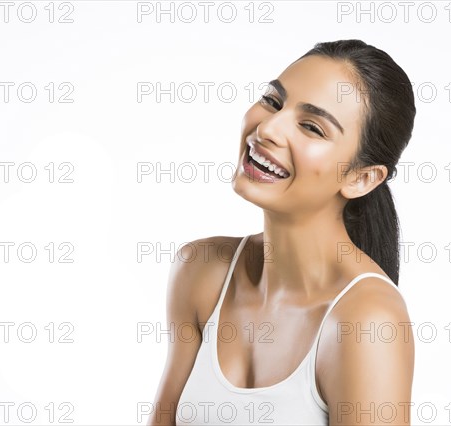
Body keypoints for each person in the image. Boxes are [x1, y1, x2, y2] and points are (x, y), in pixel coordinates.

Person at [148, 39, 416, 425]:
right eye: (273, 101)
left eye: (311, 127)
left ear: (361, 178)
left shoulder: (366, 321)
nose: (268, 128)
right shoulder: (201, 271)